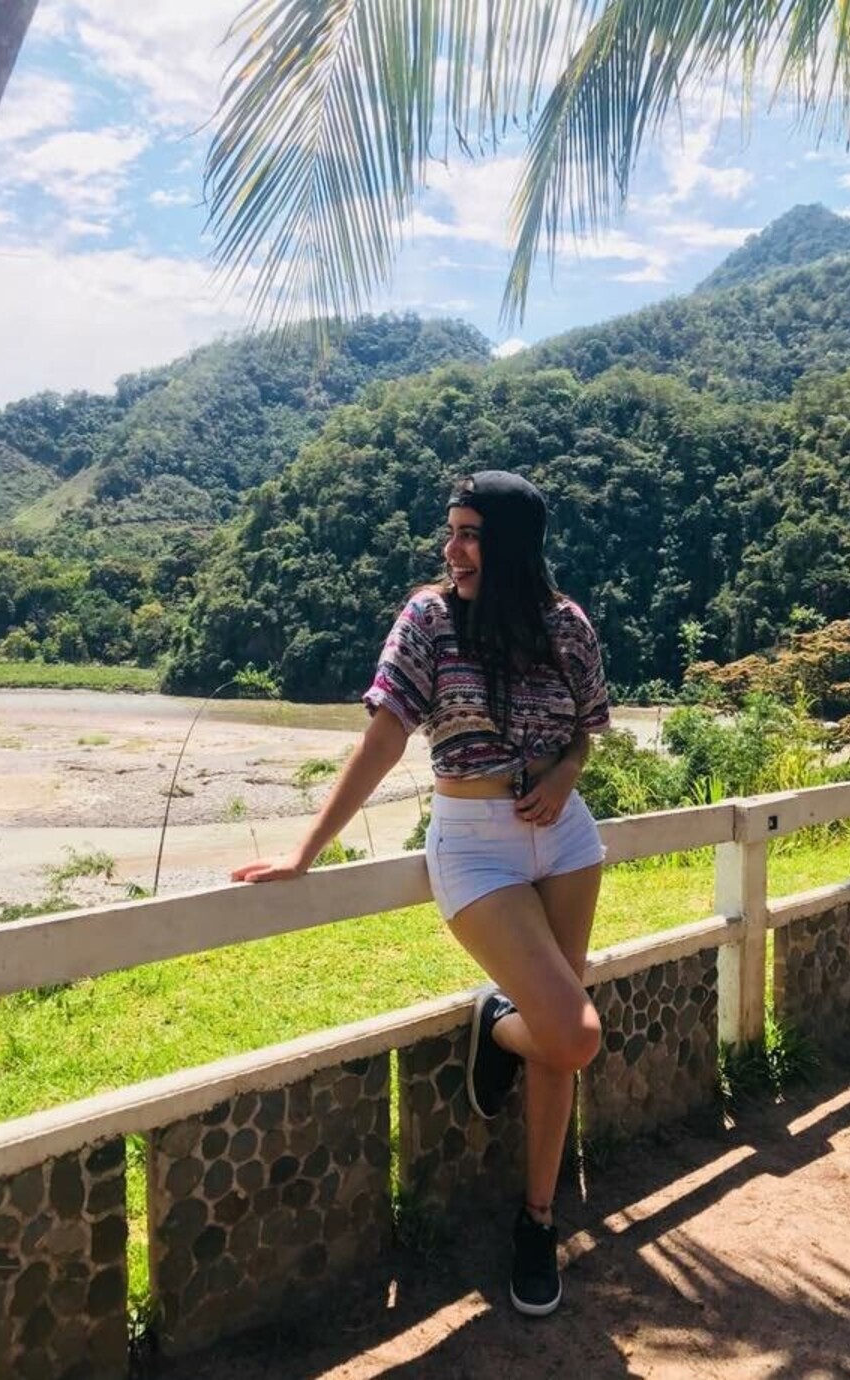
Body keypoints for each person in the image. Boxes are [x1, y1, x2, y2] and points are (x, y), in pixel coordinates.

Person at [232, 470, 610, 1316]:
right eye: (452, 531)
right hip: (473, 844)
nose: (453, 549)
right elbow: (384, 737)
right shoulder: (430, 619)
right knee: (570, 1030)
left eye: (471, 533)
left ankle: (538, 1220)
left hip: (567, 838)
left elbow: (587, 731)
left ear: (512, 544)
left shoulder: (567, 625)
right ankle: (497, 1019)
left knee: (560, 1041)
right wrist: (305, 849)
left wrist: (563, 775)